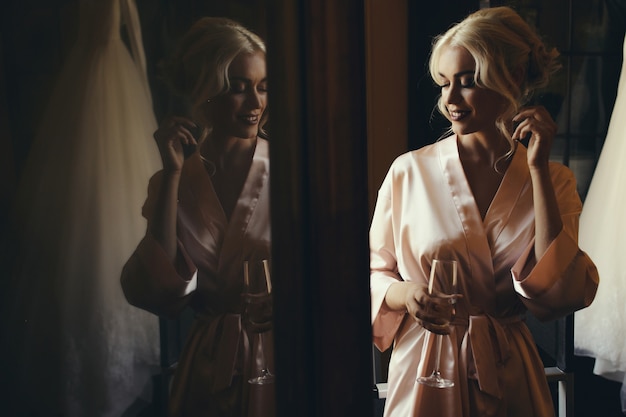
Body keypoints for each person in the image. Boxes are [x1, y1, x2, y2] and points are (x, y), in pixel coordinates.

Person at [370, 7, 599, 417]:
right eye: (444, 84)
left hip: (508, 369)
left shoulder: (555, 182)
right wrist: (409, 295)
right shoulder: (410, 172)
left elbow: (559, 293)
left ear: (510, 79)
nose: (450, 100)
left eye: (467, 82)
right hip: (425, 366)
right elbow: (373, 272)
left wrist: (537, 171)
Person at [120, 16, 272, 417]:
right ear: (205, 91)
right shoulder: (175, 183)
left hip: (281, 356)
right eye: (237, 89)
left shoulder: (290, 173)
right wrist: (171, 174)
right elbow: (160, 289)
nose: (255, 103)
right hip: (208, 366)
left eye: (262, 87)